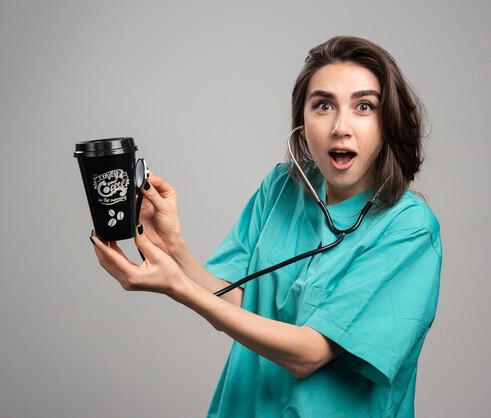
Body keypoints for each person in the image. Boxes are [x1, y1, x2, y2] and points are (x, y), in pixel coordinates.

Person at [90, 36, 442, 417]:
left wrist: (177, 288)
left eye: (364, 107)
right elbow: (240, 300)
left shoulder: (409, 228)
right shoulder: (282, 186)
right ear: (302, 120)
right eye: (323, 105)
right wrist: (172, 248)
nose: (341, 126)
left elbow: (309, 353)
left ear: (387, 121)